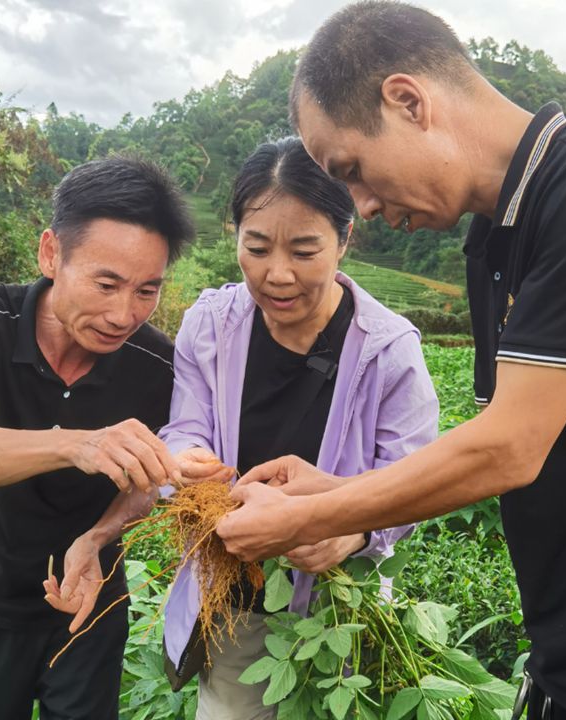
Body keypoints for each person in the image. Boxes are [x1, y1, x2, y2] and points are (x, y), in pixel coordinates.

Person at [216, 4, 566, 720]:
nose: (359, 204)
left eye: (352, 170)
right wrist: (327, 494)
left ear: (409, 101)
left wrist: (313, 514)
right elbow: (512, 438)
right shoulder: (495, 241)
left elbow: (510, 448)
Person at [156, 136, 439, 720]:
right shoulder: (210, 326)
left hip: (338, 610)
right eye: (256, 247)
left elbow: (416, 482)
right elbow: (183, 426)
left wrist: (353, 532)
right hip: (231, 600)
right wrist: (189, 465)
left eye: (304, 251)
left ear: (345, 240)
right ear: (234, 234)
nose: (276, 274)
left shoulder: (389, 351)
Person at [0, 155, 195, 720]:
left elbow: (151, 479)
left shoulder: (159, 364)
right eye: (106, 284)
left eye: (147, 291)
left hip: (90, 606)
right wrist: (77, 443)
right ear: (51, 253)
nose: (125, 314)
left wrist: (100, 535)